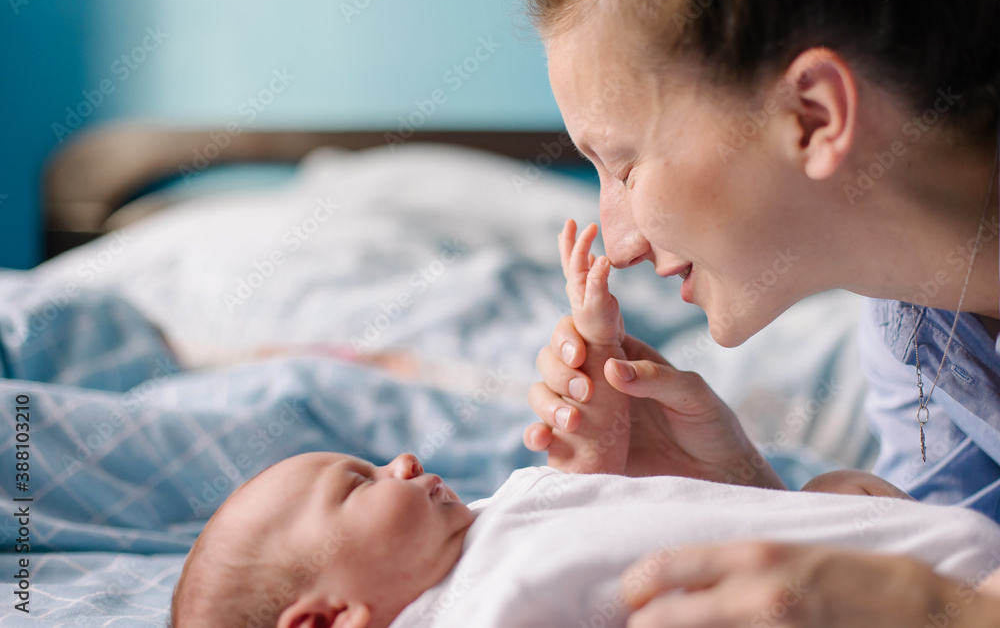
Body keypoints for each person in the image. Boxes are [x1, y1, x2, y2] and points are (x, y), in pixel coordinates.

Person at [169, 224, 966, 628]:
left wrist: (598, 347)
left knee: (836, 491)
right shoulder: (472, 610)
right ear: (326, 620)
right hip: (887, 589)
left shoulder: (480, 529)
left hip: (926, 573)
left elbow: (585, 488)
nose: (401, 459)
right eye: (359, 484)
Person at [521, 0, 1000, 625]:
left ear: (813, 115)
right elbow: (962, 558)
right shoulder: (913, 318)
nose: (619, 245)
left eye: (626, 167)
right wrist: (741, 496)